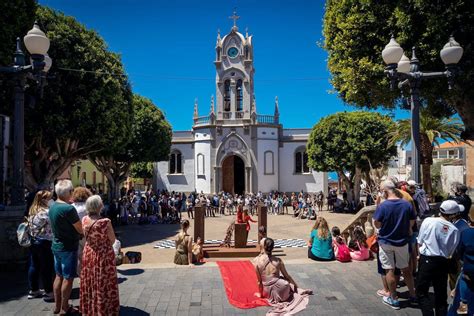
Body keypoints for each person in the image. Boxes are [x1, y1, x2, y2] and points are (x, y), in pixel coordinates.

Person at [373, 180, 416, 310]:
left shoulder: (383, 206)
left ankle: (394, 298)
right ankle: (413, 295)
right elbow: (412, 222)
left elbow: (377, 224)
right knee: (406, 270)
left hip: (386, 242)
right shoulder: (406, 204)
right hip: (402, 241)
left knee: (389, 270)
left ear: (385, 191)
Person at [416, 200, 460, 315]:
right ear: (453, 214)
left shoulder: (428, 221)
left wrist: (419, 255)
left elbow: (420, 241)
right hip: (442, 262)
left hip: (427, 260)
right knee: (441, 295)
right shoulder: (454, 230)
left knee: (422, 292)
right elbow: (451, 250)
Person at [80, 195, 120, 316]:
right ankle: (105, 309)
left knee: (90, 280)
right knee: (104, 282)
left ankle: (90, 309)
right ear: (99, 206)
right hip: (103, 255)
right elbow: (113, 240)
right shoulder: (105, 222)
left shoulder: (84, 220)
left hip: (88, 252)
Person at [49, 179, 83, 315]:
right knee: (68, 278)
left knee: (58, 276)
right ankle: (65, 307)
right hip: (68, 247)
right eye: (72, 190)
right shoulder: (68, 209)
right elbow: (80, 229)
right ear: (68, 192)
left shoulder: (52, 206)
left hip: (56, 246)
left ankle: (57, 306)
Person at [254, 238, 312, 315]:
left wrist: (261, 295)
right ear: (273, 248)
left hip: (267, 292)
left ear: (263, 247)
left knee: (279, 278)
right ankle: (295, 291)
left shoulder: (256, 261)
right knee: (283, 278)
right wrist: (297, 288)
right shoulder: (278, 261)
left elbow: (259, 282)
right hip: (283, 290)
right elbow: (287, 277)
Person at [27, 190, 55, 302]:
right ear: (43, 200)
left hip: (34, 241)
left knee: (34, 265)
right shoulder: (46, 212)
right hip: (45, 242)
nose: (51, 200)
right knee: (46, 267)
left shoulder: (32, 210)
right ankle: (48, 292)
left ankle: (33, 290)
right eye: (49, 198)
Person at [71, 186, 92, 274]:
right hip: (87, 234)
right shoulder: (88, 207)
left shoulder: (71, 207)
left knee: (79, 256)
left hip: (74, 234)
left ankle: (81, 275)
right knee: (88, 256)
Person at [457, 226, 474, 314]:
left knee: (463, 278)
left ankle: (464, 302)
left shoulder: (466, 233)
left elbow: (460, 251)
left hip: (469, 268)